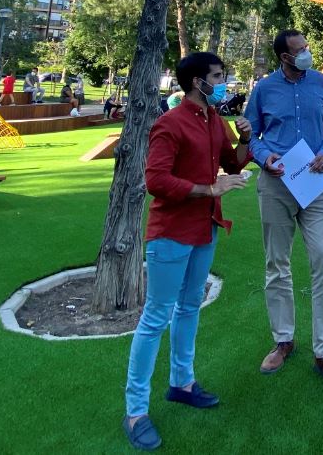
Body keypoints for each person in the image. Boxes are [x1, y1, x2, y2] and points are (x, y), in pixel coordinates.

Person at [122, 52, 253, 452]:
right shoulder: (170, 123)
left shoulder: (213, 119)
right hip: (172, 232)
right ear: (198, 82)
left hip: (204, 228)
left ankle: (182, 382)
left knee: (189, 307)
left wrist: (245, 139)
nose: (224, 83)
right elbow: (156, 180)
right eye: (218, 76)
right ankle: (135, 411)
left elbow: (232, 164)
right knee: (155, 316)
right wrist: (208, 190)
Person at [244, 30, 323, 391]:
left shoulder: (320, 82)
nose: (307, 52)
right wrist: (263, 157)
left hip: (314, 183)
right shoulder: (263, 89)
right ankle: (283, 340)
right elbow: (251, 133)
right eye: (299, 50)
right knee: (277, 264)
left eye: (307, 46)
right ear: (284, 58)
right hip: (276, 184)